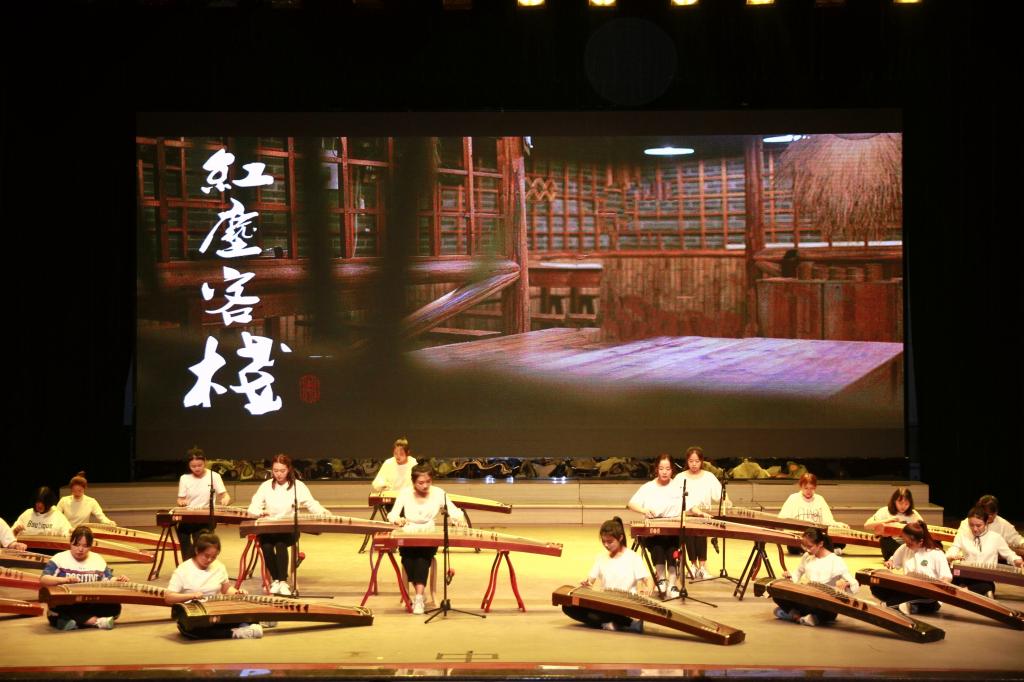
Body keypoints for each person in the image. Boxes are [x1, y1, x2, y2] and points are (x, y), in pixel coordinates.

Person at [386, 463, 465, 615]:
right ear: (413, 482)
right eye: (421, 483)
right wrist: (397, 520)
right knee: (408, 558)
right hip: (408, 532)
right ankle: (420, 595)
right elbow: (393, 514)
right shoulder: (405, 493)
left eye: (428, 481)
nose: (425, 486)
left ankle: (418, 597)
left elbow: (454, 511)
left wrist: (458, 519)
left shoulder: (438, 493)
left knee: (422, 558)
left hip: (429, 533)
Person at [247, 453, 328, 596]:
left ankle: (283, 581)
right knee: (266, 546)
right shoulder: (266, 486)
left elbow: (311, 503)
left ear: (289, 469)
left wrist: (323, 512)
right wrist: (260, 512)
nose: (278, 474)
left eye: (282, 471)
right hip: (269, 528)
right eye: (275, 470)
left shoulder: (298, 486)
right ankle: (276, 580)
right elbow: (253, 507)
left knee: (280, 544)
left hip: (289, 529)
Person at [163, 533, 263, 639]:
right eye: (206, 556)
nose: (210, 560)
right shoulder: (183, 570)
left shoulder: (219, 566)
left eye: (214, 557)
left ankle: (245, 626)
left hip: (215, 610)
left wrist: (237, 593)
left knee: (245, 611)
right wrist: (192, 596)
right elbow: (169, 597)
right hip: (193, 613)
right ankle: (237, 632)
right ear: (197, 551)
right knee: (193, 630)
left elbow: (226, 588)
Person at [560, 516, 650, 633]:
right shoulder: (601, 557)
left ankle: (621, 622)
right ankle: (613, 623)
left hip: (624, 603)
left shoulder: (633, 557)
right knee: (568, 607)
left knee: (600, 613)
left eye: (610, 542)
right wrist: (587, 583)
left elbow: (647, 579)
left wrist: (647, 589)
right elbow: (590, 579)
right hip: (606, 602)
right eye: (604, 542)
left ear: (620, 538)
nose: (606, 545)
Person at [39, 526, 130, 630]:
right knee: (59, 606)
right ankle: (96, 621)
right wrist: (65, 580)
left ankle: (68, 621)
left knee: (115, 607)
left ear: (90, 546)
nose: (80, 549)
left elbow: (109, 579)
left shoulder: (97, 559)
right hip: (68, 603)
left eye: (85, 546)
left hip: (89, 603)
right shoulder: (59, 558)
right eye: (76, 545)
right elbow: (44, 579)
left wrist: (118, 580)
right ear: (70, 542)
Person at [772, 527, 859, 627]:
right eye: (804, 546)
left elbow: (855, 584)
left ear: (820, 544)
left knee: (824, 608)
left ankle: (795, 615)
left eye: (809, 546)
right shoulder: (807, 556)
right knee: (776, 593)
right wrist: (790, 577)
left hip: (823, 605)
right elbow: (797, 574)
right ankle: (800, 617)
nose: (806, 549)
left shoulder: (836, 561)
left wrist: (846, 584)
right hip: (807, 599)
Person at [627, 454, 682, 596]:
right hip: (653, 530)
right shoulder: (648, 487)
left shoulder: (678, 486)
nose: (664, 472)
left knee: (672, 547)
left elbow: (689, 506)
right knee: (657, 546)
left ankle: (672, 584)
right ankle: (661, 579)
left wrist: (698, 513)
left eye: (668, 469)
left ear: (672, 470)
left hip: (672, 529)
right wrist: (644, 510)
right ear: (656, 469)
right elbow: (631, 504)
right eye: (661, 468)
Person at [875, 521, 952, 615]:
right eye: (905, 541)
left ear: (921, 541)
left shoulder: (936, 553)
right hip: (908, 588)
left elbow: (947, 576)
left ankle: (894, 605)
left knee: (916, 595)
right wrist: (890, 563)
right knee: (877, 587)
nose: (907, 545)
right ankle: (910, 606)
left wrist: (942, 583)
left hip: (928, 595)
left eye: (910, 543)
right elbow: (893, 561)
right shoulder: (905, 548)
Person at [946, 505, 1023, 597]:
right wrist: (951, 556)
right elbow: (954, 548)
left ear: (986, 523)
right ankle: (973, 591)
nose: (975, 529)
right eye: (971, 525)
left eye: (978, 525)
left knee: (986, 585)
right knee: (952, 578)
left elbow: (1009, 554)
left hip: (984, 578)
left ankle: (964, 590)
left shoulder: (995, 537)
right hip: (965, 575)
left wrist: (1017, 561)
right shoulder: (963, 535)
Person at [673, 446, 724, 579]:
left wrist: (727, 501)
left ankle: (702, 567)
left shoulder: (709, 477)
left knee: (701, 534)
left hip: (703, 516)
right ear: (687, 461)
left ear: (702, 461)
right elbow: (675, 497)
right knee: (689, 535)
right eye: (691, 461)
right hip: (687, 515)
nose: (694, 464)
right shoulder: (680, 477)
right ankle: (693, 565)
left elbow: (720, 495)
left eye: (697, 461)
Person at [175, 447, 231, 560]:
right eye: (193, 466)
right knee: (183, 536)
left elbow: (225, 495)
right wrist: (181, 502)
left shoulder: (214, 476)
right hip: (188, 516)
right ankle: (189, 564)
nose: (197, 468)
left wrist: (225, 499)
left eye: (199, 465)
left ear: (205, 461)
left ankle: (200, 563)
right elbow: (180, 499)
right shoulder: (185, 478)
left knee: (200, 541)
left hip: (206, 517)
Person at [779, 473, 848, 555]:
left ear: (815, 487)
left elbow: (828, 520)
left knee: (841, 542)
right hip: (801, 536)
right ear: (801, 486)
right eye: (806, 488)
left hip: (816, 537)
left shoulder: (819, 499)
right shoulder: (793, 498)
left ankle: (809, 550)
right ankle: (824, 550)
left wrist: (838, 525)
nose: (809, 491)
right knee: (793, 547)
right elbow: (783, 518)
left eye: (811, 488)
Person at [864, 486, 924, 561]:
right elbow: (866, 525)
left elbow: (924, 530)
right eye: (900, 503)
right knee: (885, 539)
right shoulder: (884, 511)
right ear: (894, 501)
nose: (903, 506)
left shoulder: (913, 514)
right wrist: (887, 521)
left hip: (909, 546)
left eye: (906, 504)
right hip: (892, 546)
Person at [955, 495, 1024, 556]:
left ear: (996, 512)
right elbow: (958, 543)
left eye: (992, 514)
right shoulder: (967, 522)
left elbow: (1018, 540)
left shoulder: (1003, 524)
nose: (989, 517)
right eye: (986, 514)